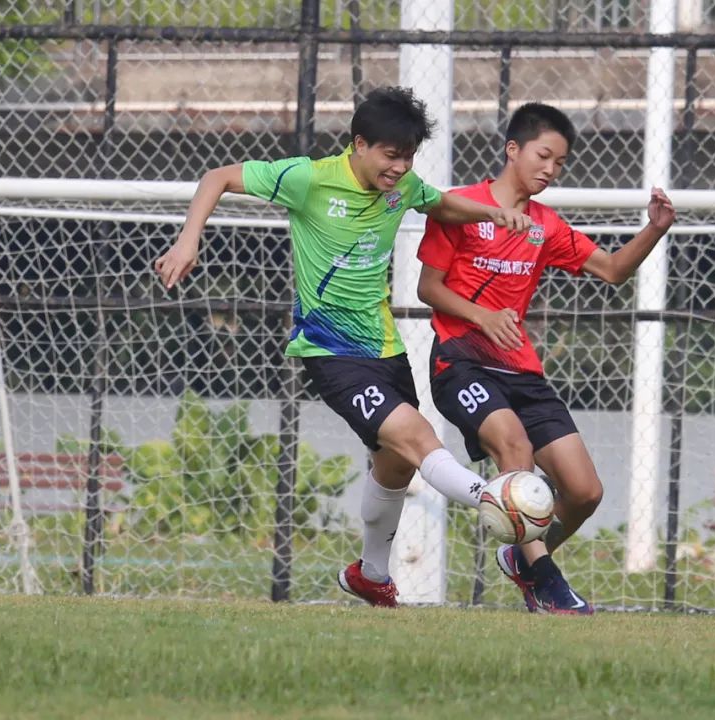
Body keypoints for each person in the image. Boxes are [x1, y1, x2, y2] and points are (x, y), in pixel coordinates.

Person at [155, 86, 532, 608]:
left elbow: (440, 203)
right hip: (329, 351)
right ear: (359, 144)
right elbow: (217, 178)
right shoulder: (308, 178)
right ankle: (492, 498)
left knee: (395, 463)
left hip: (384, 347)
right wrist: (187, 240)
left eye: (408, 157)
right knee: (418, 438)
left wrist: (490, 215)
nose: (400, 167)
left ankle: (370, 573)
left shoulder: (403, 188)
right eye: (390, 154)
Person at [417, 102, 675, 614]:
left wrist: (655, 229)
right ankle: (549, 583)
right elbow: (429, 288)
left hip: (520, 370)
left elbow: (613, 270)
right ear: (513, 149)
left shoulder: (545, 227)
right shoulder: (459, 207)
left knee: (584, 491)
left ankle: (524, 559)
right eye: (543, 155)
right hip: (459, 361)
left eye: (560, 163)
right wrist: (483, 316)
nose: (551, 170)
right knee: (514, 448)